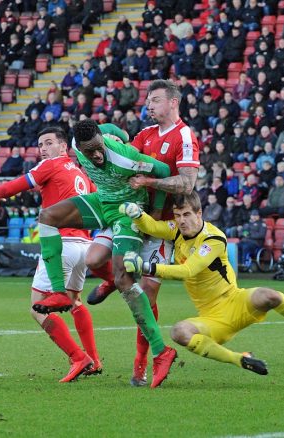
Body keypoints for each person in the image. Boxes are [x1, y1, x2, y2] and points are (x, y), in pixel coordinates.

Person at [119, 192, 284, 376]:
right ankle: (240, 359)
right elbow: (152, 227)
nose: (181, 221)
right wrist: (137, 215)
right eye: (178, 215)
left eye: (187, 215)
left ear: (199, 213)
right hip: (211, 318)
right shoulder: (176, 230)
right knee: (179, 332)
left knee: (268, 295)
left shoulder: (214, 238)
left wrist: (146, 267)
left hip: (235, 300)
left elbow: (187, 271)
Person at [28, 119, 178, 389]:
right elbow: (111, 129)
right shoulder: (77, 143)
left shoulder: (125, 158)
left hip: (128, 209)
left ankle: (161, 351)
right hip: (102, 201)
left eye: (99, 149)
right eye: (89, 152)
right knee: (48, 217)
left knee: (123, 279)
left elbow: (164, 168)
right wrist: (119, 132)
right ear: (78, 149)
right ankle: (60, 292)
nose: (96, 155)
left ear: (102, 142)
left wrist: (155, 211)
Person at [85, 80, 200, 387]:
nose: (149, 106)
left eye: (156, 100)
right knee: (93, 258)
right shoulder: (145, 134)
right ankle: (113, 279)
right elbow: (124, 160)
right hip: (130, 217)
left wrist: (151, 182)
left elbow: (187, 183)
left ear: (174, 103)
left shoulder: (184, 135)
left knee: (146, 295)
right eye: (148, 101)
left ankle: (140, 364)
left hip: (162, 226)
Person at [0, 127, 102, 383]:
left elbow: (18, 184)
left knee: (37, 309)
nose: (44, 149)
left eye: (49, 143)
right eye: (40, 145)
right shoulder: (81, 173)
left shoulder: (51, 165)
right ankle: (94, 359)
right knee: (75, 302)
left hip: (60, 244)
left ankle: (78, 357)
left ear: (64, 147)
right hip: (85, 245)